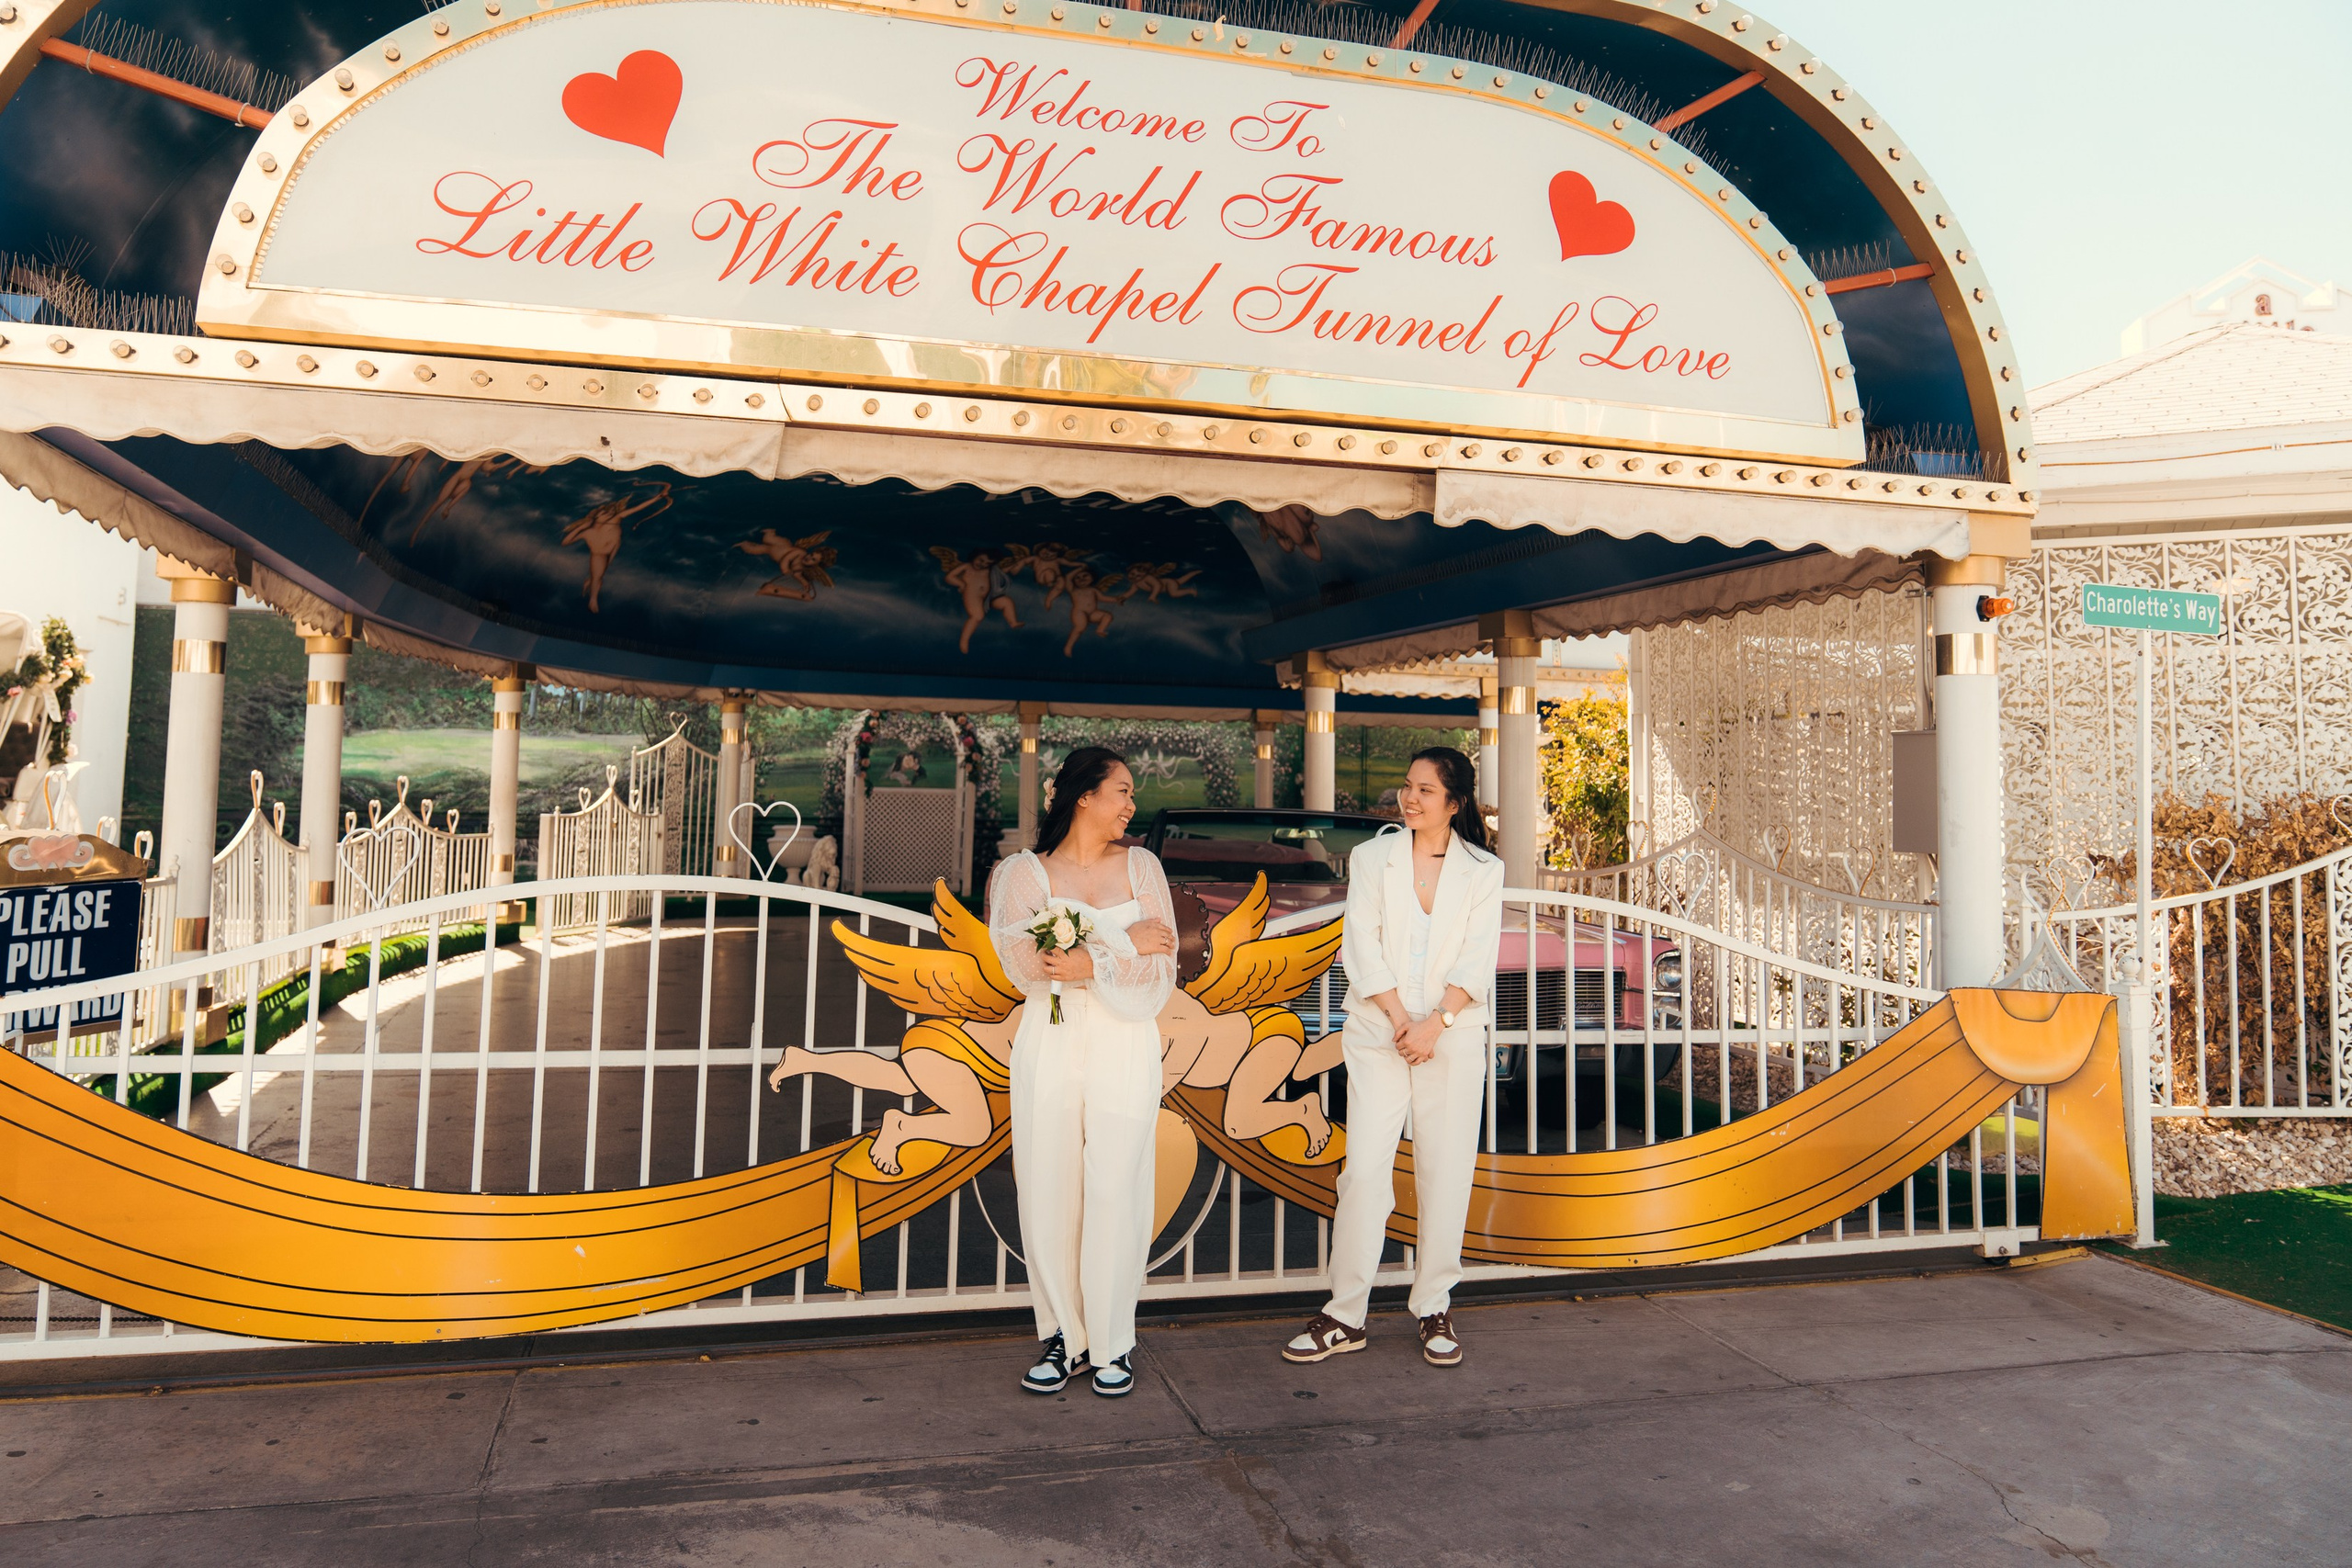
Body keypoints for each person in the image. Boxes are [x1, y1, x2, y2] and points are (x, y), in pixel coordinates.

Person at [1282, 747, 1503, 1370]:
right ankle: (1345, 1311)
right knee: (1364, 1172)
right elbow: (1362, 946)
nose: (1410, 798)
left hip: (1452, 1038)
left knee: (1445, 1171)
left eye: (1425, 790)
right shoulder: (1372, 856)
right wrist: (1406, 1022)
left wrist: (1438, 1023)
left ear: (1454, 802)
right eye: (1407, 787)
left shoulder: (1483, 868)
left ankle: (1434, 1303)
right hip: (1380, 1031)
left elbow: (1475, 958)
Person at [988, 747, 1178, 1398]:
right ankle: (1063, 1335)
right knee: (1049, 1185)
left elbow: (1161, 968)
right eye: (1121, 791)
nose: (1130, 805)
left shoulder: (1143, 866)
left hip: (1126, 1041)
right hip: (1053, 1041)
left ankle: (1113, 1339)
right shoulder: (1023, 875)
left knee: (1115, 1188)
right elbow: (1026, 965)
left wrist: (1091, 960)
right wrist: (1122, 943)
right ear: (1083, 797)